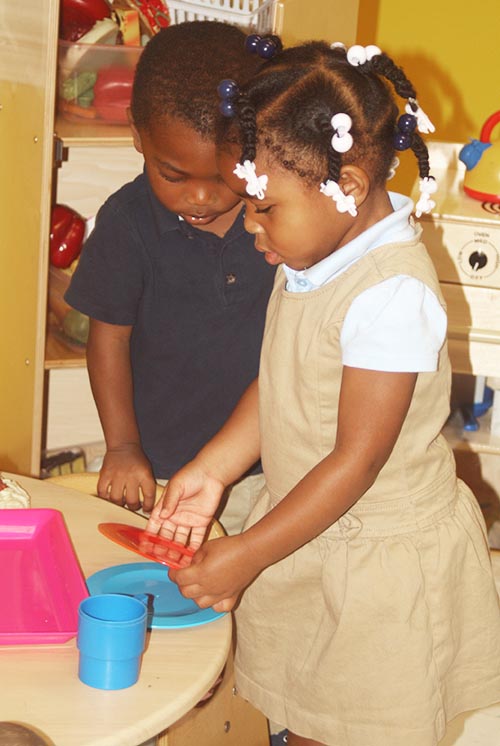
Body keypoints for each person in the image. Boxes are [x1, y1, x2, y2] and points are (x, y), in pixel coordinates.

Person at [146, 38, 500, 746]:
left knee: (359, 722)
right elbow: (282, 380)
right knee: (310, 715)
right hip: (314, 535)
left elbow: (355, 463)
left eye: (264, 206)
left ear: (351, 182)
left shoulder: (390, 294)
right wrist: (213, 468)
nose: (249, 225)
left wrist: (246, 555)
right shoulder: (314, 249)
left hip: (377, 569)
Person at [65, 21, 276, 529]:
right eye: (173, 175)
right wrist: (121, 446)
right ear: (138, 137)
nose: (200, 198)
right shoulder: (127, 223)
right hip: (158, 466)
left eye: (223, 178)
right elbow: (108, 341)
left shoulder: (279, 220)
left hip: (270, 466)